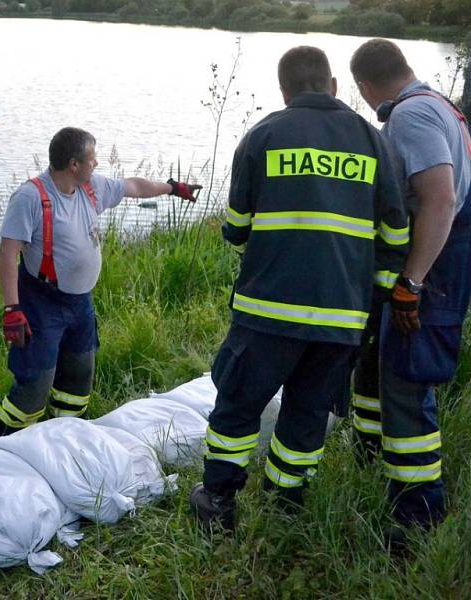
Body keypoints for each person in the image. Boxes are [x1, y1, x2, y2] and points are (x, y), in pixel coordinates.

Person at [188, 46, 409, 533]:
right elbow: (396, 234)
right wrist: (375, 297)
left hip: (269, 310)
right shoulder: (374, 141)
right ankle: (287, 501)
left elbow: (236, 227)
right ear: (333, 86)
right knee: (308, 411)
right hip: (342, 317)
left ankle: (219, 501)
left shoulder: (264, 135)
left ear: (284, 92)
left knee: (239, 404)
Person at [0, 126, 201, 438]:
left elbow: (133, 186)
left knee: (77, 383)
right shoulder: (30, 198)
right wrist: (12, 309)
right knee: (34, 387)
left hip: (80, 304)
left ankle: (64, 439)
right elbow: (8, 255)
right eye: (92, 159)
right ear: (74, 164)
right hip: (42, 303)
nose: (97, 164)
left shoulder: (91, 188)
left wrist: (172, 188)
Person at [350, 39, 471, 539]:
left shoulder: (410, 118)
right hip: (444, 260)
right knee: (384, 370)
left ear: (362, 87)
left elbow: (439, 201)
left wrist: (411, 283)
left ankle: (417, 518)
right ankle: (374, 461)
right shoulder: (443, 107)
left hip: (435, 267)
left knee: (407, 384)